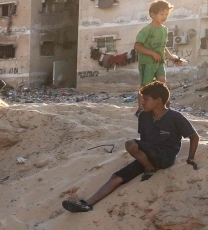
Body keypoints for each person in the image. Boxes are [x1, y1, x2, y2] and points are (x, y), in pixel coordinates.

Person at [63, 82, 198, 213]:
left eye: (146, 99)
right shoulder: (144, 116)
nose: (142, 102)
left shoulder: (175, 117)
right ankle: (87, 204)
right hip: (147, 156)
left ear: (158, 100)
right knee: (117, 177)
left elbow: (194, 137)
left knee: (131, 144)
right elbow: (144, 140)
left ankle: (150, 169)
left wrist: (190, 158)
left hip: (165, 156)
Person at [134, 0, 188, 113]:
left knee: (162, 82)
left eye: (167, 14)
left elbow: (163, 47)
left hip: (159, 62)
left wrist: (172, 58)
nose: (165, 17)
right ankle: (140, 108)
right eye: (162, 14)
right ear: (152, 15)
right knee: (145, 86)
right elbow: (137, 46)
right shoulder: (147, 30)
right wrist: (152, 53)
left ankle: (163, 106)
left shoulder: (164, 30)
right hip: (147, 62)